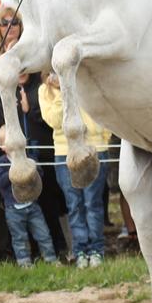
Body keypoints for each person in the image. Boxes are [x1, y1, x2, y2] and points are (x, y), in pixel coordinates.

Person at [40, 71, 110, 268]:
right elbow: (54, 120)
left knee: (92, 203)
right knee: (74, 205)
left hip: (94, 149)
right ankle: (80, 251)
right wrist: (64, 92)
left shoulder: (88, 83)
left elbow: (102, 112)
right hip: (65, 152)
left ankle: (96, 250)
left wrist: (104, 139)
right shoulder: (44, 92)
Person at [0, 126, 58, 267]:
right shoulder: (1, 163)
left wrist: (31, 169)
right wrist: (14, 171)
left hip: (33, 206)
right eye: (9, 142)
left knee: (43, 234)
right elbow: (1, 182)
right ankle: (24, 263)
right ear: (2, 146)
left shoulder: (29, 159)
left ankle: (51, 258)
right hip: (13, 209)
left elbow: (39, 175)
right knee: (19, 238)